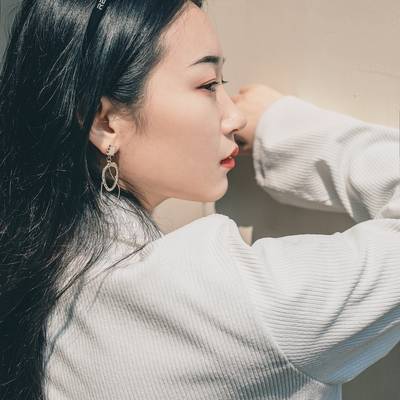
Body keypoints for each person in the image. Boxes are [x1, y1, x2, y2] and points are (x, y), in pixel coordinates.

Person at [0, 1, 399, 399]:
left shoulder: (35, 266)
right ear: (106, 122)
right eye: (208, 85)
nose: (236, 117)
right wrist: (283, 129)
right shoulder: (223, 299)